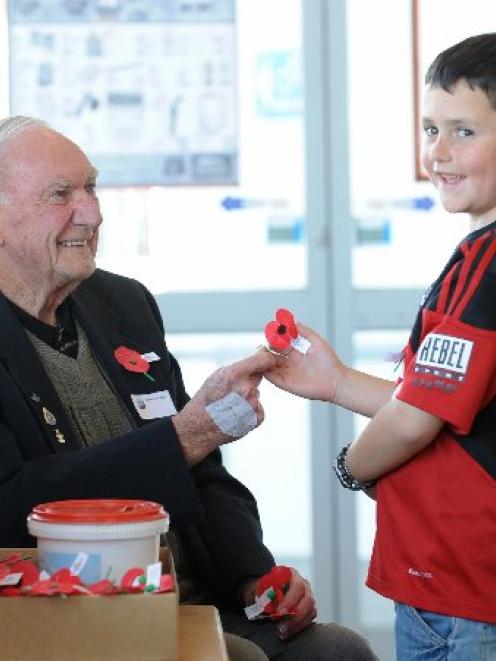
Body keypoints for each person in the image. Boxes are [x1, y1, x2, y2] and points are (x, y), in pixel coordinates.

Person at [0, 115, 377, 661]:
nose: (93, 212)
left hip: (191, 600)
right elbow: (14, 504)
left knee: (338, 652)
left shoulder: (122, 303)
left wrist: (254, 577)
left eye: (92, 187)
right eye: (61, 194)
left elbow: (203, 474)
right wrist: (183, 436)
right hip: (59, 616)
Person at [264, 33, 496, 660]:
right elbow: (440, 404)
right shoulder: (476, 253)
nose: (437, 152)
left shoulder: (491, 265)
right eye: (429, 129)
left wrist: (351, 466)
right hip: (451, 584)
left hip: (467, 593)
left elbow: (416, 422)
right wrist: (337, 382)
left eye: (463, 132)